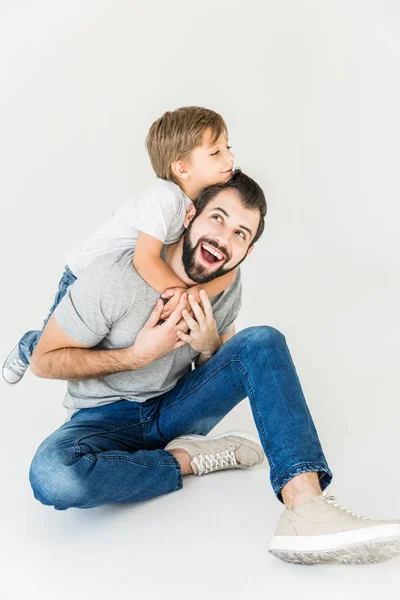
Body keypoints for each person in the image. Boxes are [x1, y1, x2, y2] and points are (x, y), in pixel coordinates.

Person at [28, 170, 400, 565]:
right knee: (53, 475)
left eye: (241, 233)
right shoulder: (115, 278)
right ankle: (186, 460)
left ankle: (307, 507)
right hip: (102, 420)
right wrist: (136, 356)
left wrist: (207, 348)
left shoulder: (227, 286)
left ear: (248, 251)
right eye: (218, 218)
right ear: (189, 216)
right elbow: (44, 361)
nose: (223, 238)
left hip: (174, 410)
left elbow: (230, 367)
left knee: (261, 341)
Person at [2, 106, 236, 384]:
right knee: (71, 349)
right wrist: (183, 297)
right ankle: (28, 346)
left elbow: (229, 273)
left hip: (123, 288)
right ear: (181, 168)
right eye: (216, 152)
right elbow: (145, 259)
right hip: (84, 276)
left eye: (228, 148)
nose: (230, 157)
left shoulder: (202, 204)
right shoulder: (163, 198)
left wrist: (195, 293)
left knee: (104, 347)